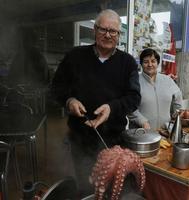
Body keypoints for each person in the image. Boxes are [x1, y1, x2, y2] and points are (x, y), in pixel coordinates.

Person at [51, 9, 141, 197]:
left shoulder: (128, 63)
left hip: (113, 140)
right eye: (103, 29)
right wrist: (69, 101)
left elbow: (134, 98)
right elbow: (56, 87)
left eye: (113, 31)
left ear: (119, 34)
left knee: (113, 188)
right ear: (94, 30)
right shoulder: (75, 57)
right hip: (81, 138)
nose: (107, 35)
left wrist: (112, 108)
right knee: (86, 186)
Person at [129, 48, 182, 130]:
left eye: (153, 61)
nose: (150, 65)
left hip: (164, 132)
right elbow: (129, 107)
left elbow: (177, 98)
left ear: (157, 63)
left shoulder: (167, 80)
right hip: (141, 133)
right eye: (146, 62)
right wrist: (142, 122)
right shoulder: (134, 81)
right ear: (141, 64)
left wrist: (176, 115)